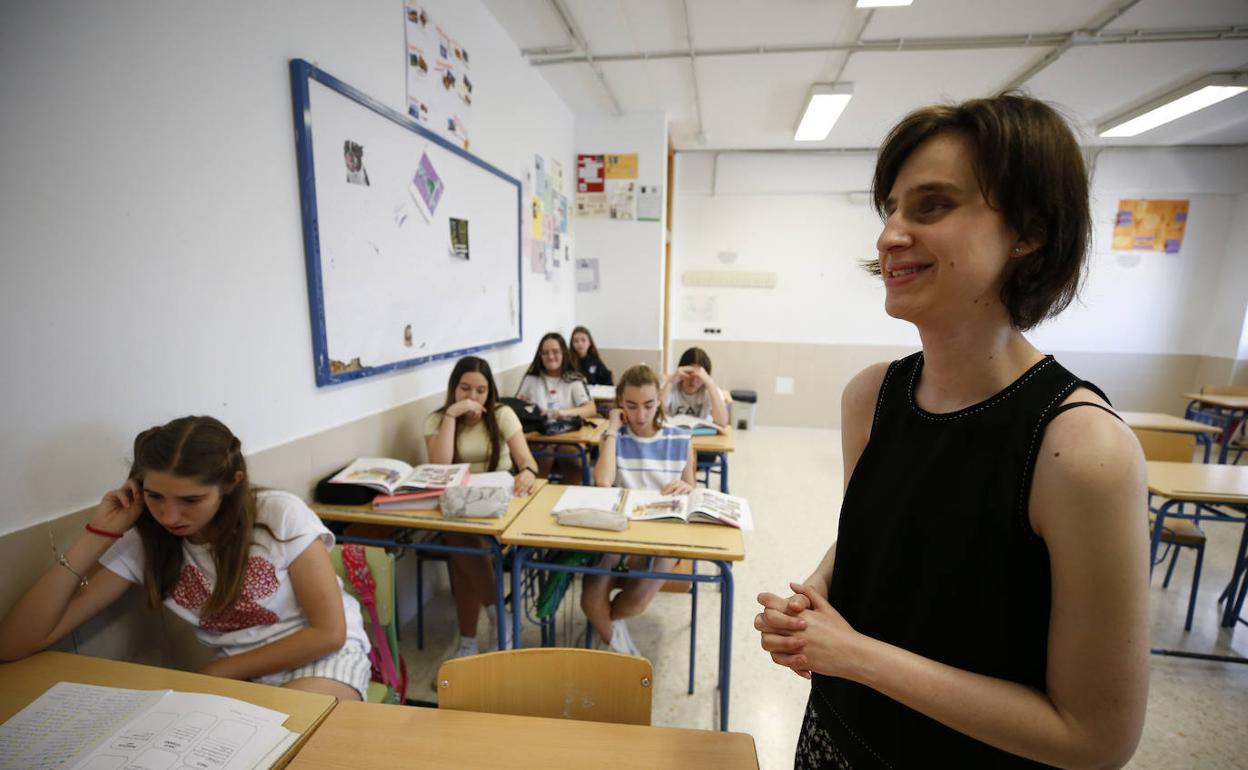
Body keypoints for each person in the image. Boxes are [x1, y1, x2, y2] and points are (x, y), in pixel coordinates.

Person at [754, 93, 1150, 769]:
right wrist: (818, 591)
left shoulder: (1083, 450)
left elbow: (1097, 739)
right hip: (833, 741)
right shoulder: (872, 397)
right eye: (891, 210)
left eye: (931, 206)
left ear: (1029, 230)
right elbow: (879, 537)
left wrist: (857, 656)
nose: (890, 235)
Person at [0, 416, 372, 701]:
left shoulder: (278, 514)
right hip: (238, 675)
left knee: (288, 736)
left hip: (322, 660)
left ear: (231, 483)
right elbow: (14, 645)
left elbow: (328, 634)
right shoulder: (146, 541)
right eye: (154, 496)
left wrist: (216, 672)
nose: (169, 516)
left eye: (190, 500)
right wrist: (98, 534)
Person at [425, 356, 538, 658]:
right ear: (453, 387)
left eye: (480, 390)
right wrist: (452, 416)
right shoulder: (437, 420)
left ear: (490, 392)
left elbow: (526, 460)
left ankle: (469, 642)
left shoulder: (501, 415)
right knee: (462, 543)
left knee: (461, 550)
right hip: (458, 509)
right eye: (465, 388)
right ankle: (499, 616)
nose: (472, 397)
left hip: (499, 507)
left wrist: (527, 472)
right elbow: (439, 467)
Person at [581, 365, 696, 656]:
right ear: (620, 402)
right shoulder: (615, 438)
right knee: (590, 597)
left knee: (636, 601)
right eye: (631, 406)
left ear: (659, 400)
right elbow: (603, 481)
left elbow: (692, 490)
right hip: (620, 532)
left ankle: (610, 631)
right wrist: (612, 429)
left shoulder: (680, 439)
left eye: (648, 405)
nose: (641, 415)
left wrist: (686, 488)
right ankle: (625, 653)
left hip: (663, 536)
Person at [514, 332, 598, 420]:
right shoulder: (530, 379)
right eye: (545, 353)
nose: (550, 357)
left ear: (564, 354)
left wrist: (560, 413)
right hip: (538, 427)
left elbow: (590, 409)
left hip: (567, 427)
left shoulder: (574, 379)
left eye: (555, 352)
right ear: (540, 356)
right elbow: (516, 409)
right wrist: (522, 406)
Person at [661, 347, 729, 428]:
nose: (693, 380)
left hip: (701, 434)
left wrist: (710, 384)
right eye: (689, 373)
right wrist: (670, 382)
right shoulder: (670, 385)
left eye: (699, 375)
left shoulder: (710, 389)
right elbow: (656, 416)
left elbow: (722, 422)